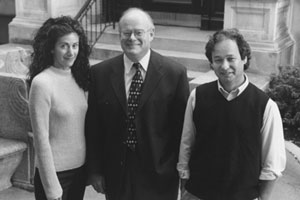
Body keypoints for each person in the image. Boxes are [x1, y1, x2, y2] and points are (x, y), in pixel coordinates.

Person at [85, 7, 190, 200]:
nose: (132, 38)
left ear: (151, 34)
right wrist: (95, 170)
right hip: (116, 173)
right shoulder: (100, 74)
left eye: (138, 32)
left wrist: (181, 171)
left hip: (160, 175)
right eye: (126, 33)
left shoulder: (175, 74)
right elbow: (94, 127)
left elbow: (182, 131)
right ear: (119, 36)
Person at [177, 28, 286, 200]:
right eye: (218, 60)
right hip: (198, 194)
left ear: (244, 58)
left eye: (230, 58)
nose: (224, 66)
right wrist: (185, 188)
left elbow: (272, 164)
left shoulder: (265, 106)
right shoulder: (197, 97)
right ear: (211, 63)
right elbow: (186, 145)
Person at [28, 16, 90, 200]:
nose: (71, 52)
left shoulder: (79, 78)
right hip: (55, 174)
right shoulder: (42, 83)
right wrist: (51, 186)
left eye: (75, 45)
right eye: (64, 46)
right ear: (51, 48)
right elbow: (40, 138)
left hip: (79, 169)